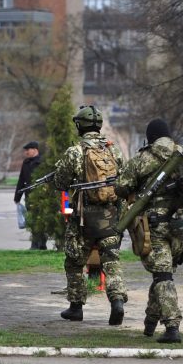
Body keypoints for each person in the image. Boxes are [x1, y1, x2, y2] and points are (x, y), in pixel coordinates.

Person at [114, 118, 183, 343]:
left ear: (150, 137)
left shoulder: (141, 159)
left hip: (154, 226)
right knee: (163, 274)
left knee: (162, 275)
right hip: (182, 225)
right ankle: (150, 322)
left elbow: (120, 188)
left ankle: (172, 327)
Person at [52, 105, 127, 325]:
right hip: (111, 216)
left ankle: (76, 307)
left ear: (80, 126)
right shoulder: (114, 151)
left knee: (75, 262)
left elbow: (60, 182)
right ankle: (117, 302)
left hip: (83, 220)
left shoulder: (75, 151)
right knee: (111, 261)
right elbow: (124, 180)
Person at [14, 141, 45, 249]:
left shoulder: (42, 162)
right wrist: (17, 197)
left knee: (40, 220)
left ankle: (41, 244)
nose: (26, 152)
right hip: (29, 197)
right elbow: (21, 180)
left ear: (35, 150)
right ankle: (35, 243)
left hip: (41, 197)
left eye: (28, 150)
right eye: (25, 150)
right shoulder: (26, 163)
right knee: (32, 220)